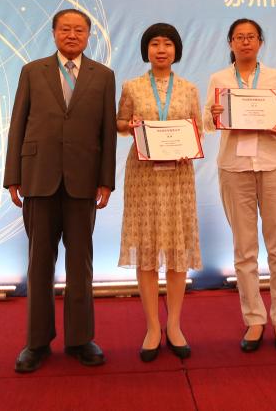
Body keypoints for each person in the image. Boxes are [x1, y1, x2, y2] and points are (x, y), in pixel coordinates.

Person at [4, 8, 118, 373]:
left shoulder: (103, 76)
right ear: (54, 33)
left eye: (79, 30)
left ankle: (80, 339)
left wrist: (106, 179)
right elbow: (18, 124)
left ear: (88, 36)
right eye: (65, 29)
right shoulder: (32, 71)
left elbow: (107, 132)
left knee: (80, 263)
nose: (72, 35)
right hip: (38, 176)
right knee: (39, 262)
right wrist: (12, 175)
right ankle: (36, 342)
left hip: (84, 180)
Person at [204, 19, 276, 353]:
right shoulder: (219, 79)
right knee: (244, 250)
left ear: (260, 42)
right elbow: (207, 123)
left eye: (251, 37)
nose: (245, 42)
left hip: (275, 165)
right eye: (239, 37)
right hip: (234, 168)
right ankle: (254, 319)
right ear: (230, 43)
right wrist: (215, 115)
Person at [116, 23, 202, 362]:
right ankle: (153, 327)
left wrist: (189, 146)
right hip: (144, 176)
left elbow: (197, 129)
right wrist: (130, 126)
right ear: (146, 50)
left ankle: (175, 325)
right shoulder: (132, 86)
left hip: (178, 176)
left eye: (167, 43)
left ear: (176, 49)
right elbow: (119, 122)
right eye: (155, 44)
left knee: (177, 249)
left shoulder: (189, 88)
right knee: (148, 249)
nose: (161, 49)